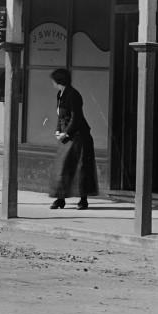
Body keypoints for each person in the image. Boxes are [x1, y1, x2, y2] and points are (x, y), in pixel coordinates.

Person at [47, 68, 98, 210]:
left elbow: (76, 118)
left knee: (81, 168)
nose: (52, 83)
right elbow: (60, 116)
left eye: (53, 80)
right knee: (61, 167)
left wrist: (66, 133)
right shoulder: (60, 94)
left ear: (59, 81)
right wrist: (58, 130)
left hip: (79, 136)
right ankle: (60, 199)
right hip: (66, 136)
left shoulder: (74, 95)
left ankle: (83, 200)